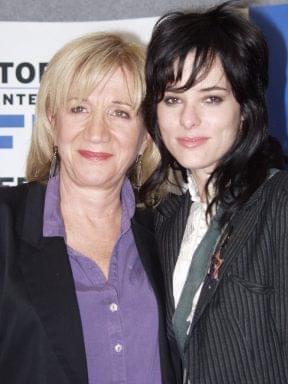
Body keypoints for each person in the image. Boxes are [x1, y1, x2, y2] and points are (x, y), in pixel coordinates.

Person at [0, 32, 178, 384]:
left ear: (146, 137)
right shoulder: (5, 225)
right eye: (79, 108)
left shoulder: (171, 231)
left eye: (121, 113)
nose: (97, 132)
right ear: (52, 121)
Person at [141, 2, 288, 383]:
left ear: (246, 108)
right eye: (173, 100)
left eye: (211, 98)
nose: (188, 119)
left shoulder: (279, 204)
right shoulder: (165, 221)